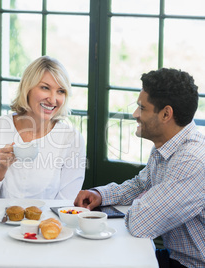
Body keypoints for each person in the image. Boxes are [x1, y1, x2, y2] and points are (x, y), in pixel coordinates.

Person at [74, 68, 204, 268]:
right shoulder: (168, 145)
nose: (135, 114)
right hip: (174, 258)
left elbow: (140, 223)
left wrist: (147, 200)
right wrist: (100, 194)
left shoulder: (192, 162)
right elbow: (140, 185)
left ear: (166, 114)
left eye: (142, 108)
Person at [0, 56, 86, 199]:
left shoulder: (72, 139)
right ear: (27, 89)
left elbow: (65, 203)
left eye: (60, 91)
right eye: (45, 88)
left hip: (47, 221)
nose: (53, 99)